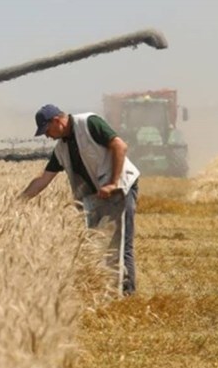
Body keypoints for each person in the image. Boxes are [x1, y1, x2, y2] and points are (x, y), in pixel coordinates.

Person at [20, 104, 140, 296]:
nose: (47, 136)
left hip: (120, 189)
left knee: (120, 244)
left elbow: (120, 146)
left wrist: (113, 183)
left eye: (47, 130)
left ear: (57, 121)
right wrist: (18, 201)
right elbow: (44, 178)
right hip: (98, 196)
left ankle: (127, 296)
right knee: (97, 247)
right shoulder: (61, 149)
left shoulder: (89, 123)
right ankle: (106, 291)